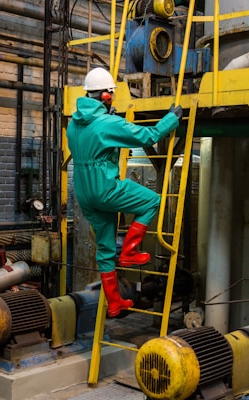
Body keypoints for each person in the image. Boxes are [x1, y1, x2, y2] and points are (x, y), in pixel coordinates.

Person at [67, 67, 183, 317]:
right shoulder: (108, 123)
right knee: (152, 201)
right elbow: (147, 136)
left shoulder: (73, 125)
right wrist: (171, 119)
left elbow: (93, 146)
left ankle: (115, 303)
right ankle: (130, 251)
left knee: (106, 249)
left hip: (84, 193)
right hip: (104, 188)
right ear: (107, 96)